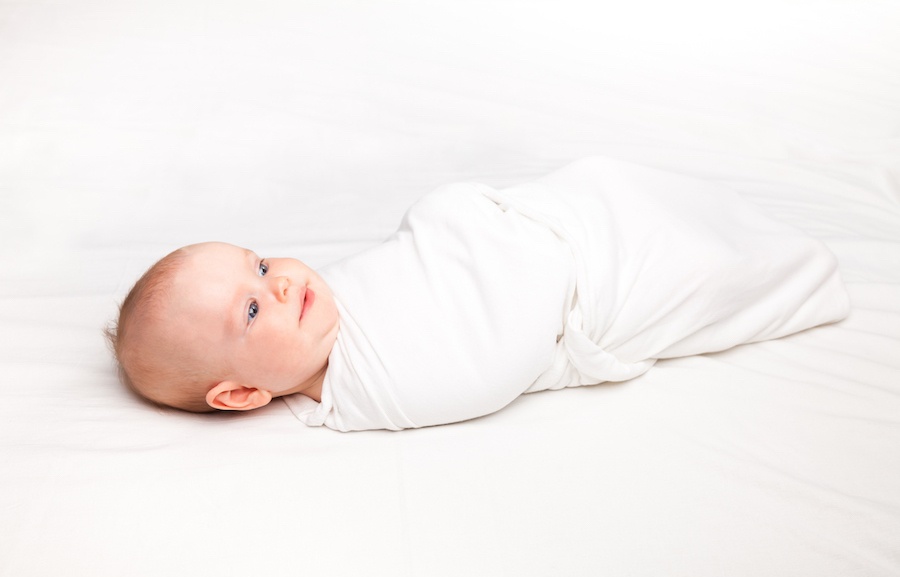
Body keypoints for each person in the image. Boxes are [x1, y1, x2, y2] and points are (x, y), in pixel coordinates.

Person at [107, 157, 850, 431]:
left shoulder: (323, 309)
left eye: (261, 265)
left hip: (544, 226)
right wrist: (512, 242)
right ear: (239, 394)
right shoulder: (380, 389)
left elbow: (415, 255)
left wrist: (459, 216)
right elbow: (494, 360)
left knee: (610, 179)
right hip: (581, 286)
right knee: (696, 264)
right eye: (250, 308)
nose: (282, 282)